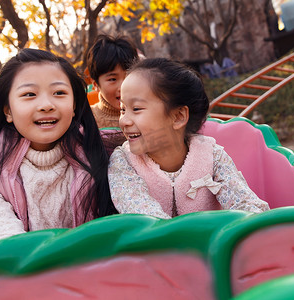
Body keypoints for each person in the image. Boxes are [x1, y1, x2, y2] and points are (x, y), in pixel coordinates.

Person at [0, 48, 117, 241]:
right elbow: (10, 246)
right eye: (29, 94)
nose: (46, 104)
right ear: (8, 111)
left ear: (74, 106)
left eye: (59, 92)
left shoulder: (107, 157)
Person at [108, 58, 269, 219]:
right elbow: (143, 214)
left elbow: (247, 205)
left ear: (178, 117)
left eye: (136, 109)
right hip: (157, 243)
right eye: (123, 109)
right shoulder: (124, 161)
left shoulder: (211, 156)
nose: (124, 120)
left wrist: (249, 221)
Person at [86, 34, 139, 129]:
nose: (123, 87)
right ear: (95, 84)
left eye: (128, 77)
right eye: (112, 79)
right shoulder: (86, 120)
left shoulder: (148, 114)